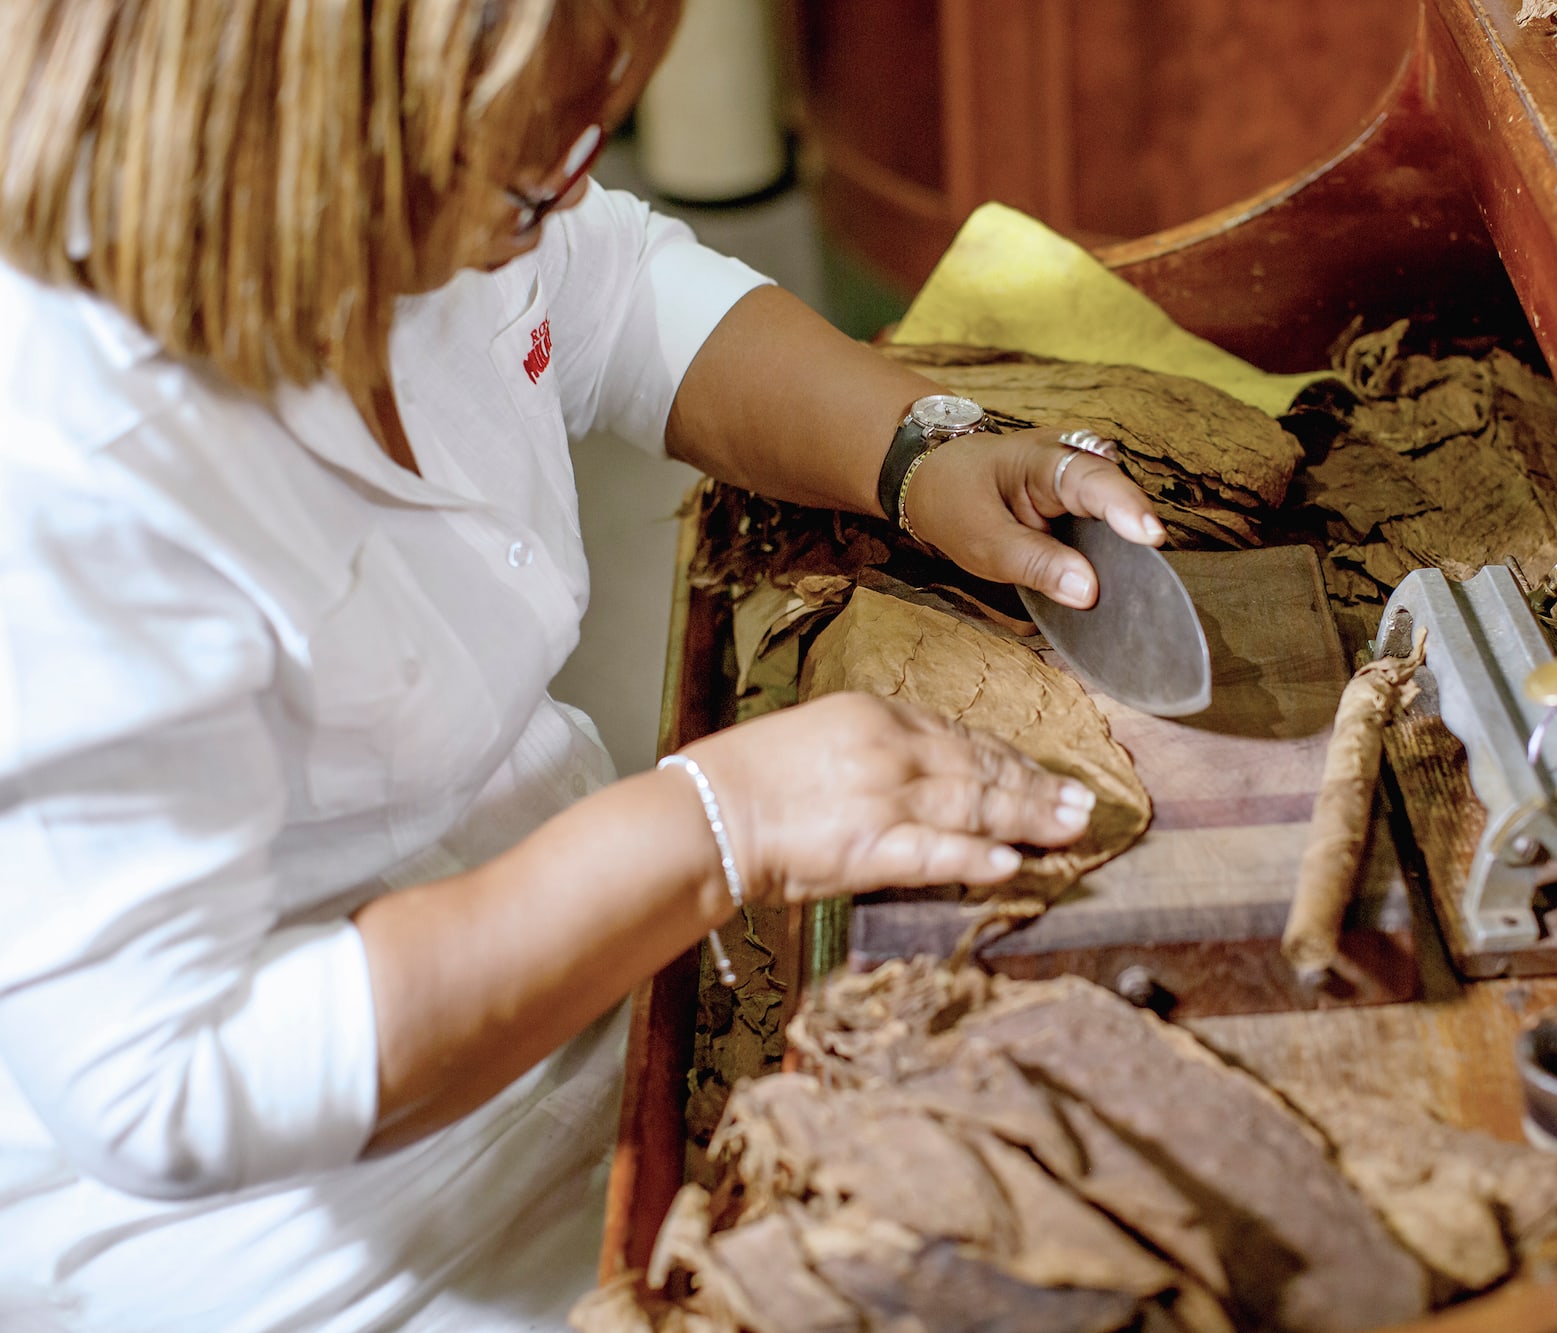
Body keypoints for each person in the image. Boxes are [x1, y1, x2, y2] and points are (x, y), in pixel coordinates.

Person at [0, 1, 1166, 1328]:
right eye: (522, 167)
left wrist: (912, 450)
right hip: (312, 1233)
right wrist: (717, 824)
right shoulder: (57, 459)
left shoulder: (379, 175)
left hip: (585, 991)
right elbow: (178, 1079)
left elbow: (601, 291)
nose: (579, 167)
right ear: (323, 86)